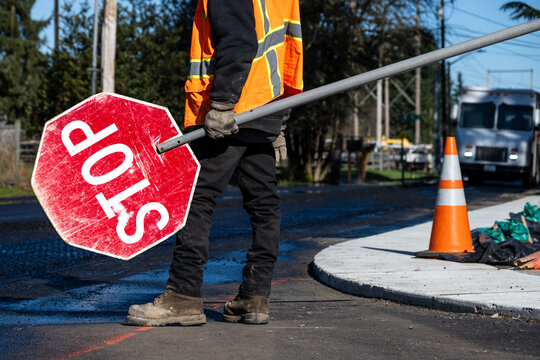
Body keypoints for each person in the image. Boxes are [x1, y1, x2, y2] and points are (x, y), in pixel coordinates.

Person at [126, 0, 303, 326]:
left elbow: (239, 42)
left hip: (231, 113)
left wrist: (221, 104)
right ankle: (255, 296)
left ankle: (183, 295)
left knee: (196, 197)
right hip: (264, 110)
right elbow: (285, 55)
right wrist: (281, 118)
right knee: (264, 203)